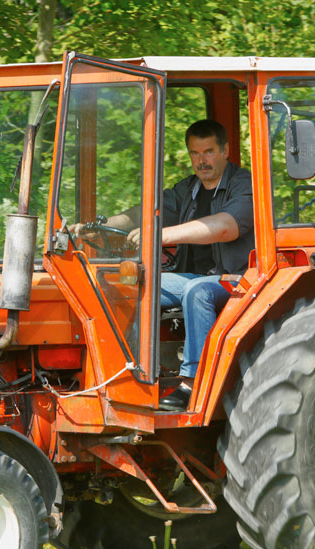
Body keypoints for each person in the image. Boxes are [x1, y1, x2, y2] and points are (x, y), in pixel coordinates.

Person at [118, 119, 254, 410]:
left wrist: (159, 235)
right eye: (195, 153)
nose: (202, 161)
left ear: (225, 150)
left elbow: (225, 227)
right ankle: (130, 373)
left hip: (240, 279)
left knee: (197, 291)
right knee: (133, 282)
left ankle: (192, 383)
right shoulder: (188, 189)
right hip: (194, 276)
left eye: (209, 152)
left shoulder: (243, 184)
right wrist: (101, 225)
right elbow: (147, 212)